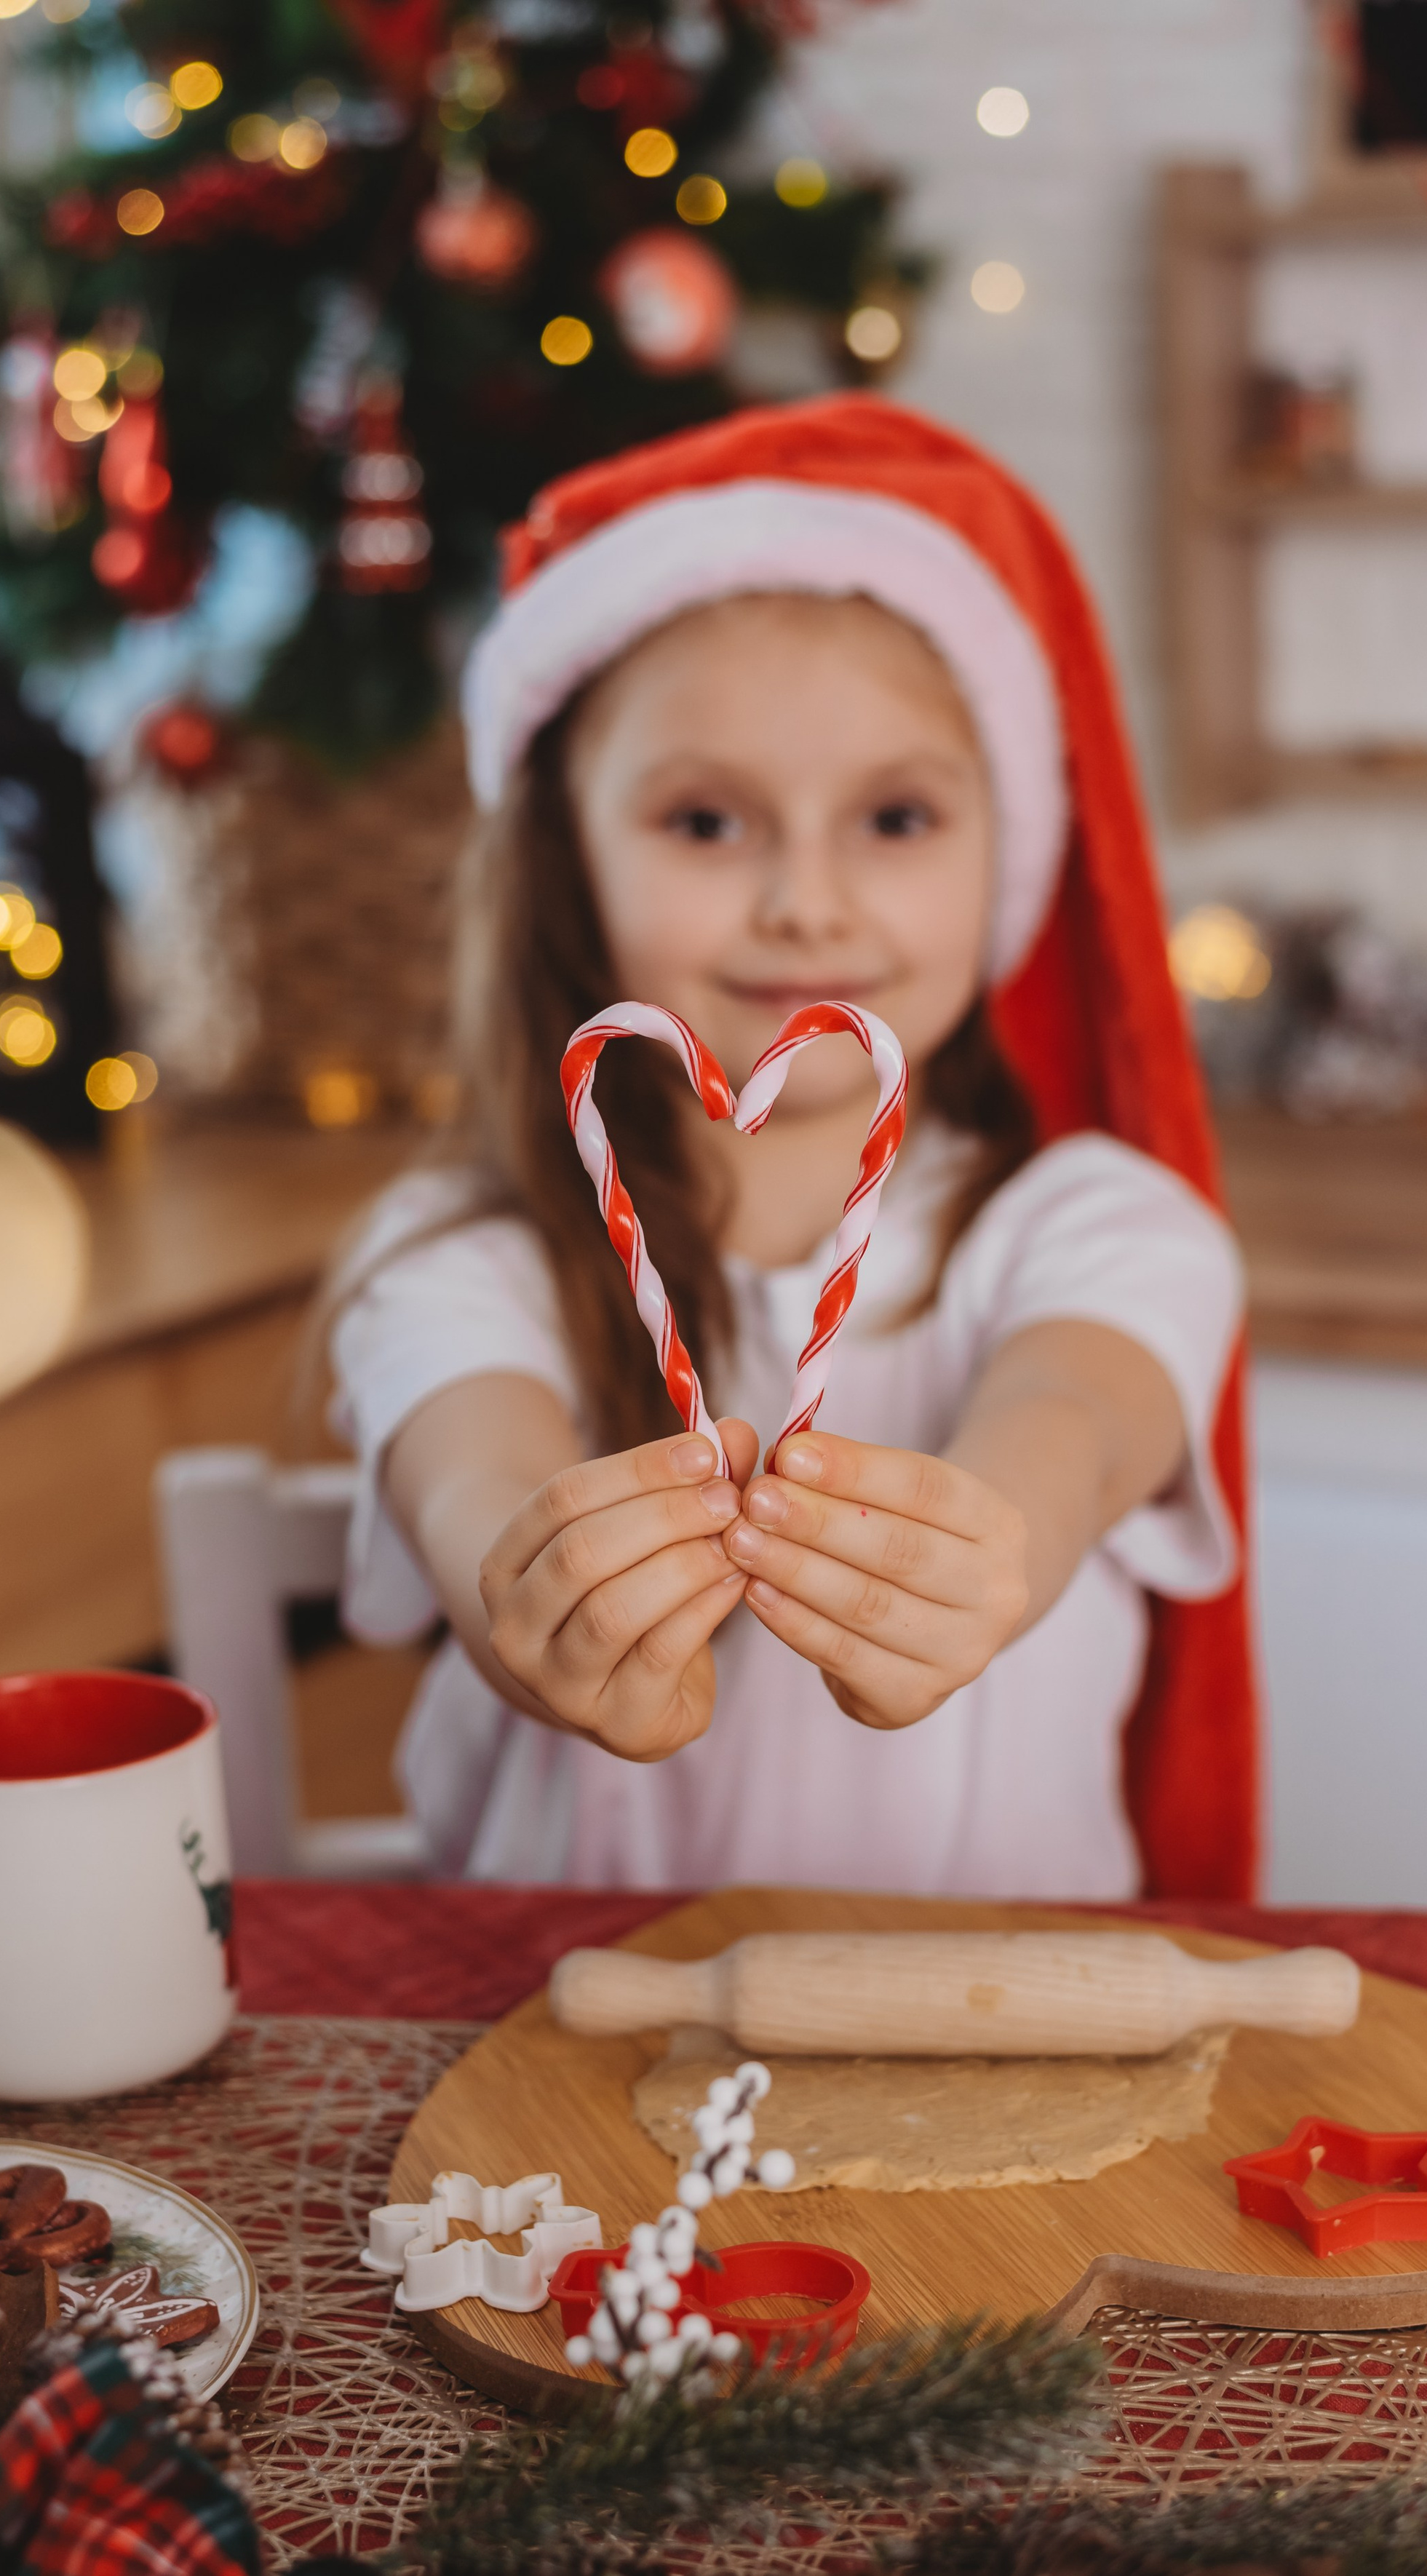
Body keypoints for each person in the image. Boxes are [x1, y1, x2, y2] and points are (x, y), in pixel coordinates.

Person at [330, 395, 1255, 1900]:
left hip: (990, 2030)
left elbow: (1076, 1416)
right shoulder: (453, 1258)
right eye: (706, 822)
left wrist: (989, 1547)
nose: (805, 905)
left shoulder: (1104, 1227)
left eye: (894, 816)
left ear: (1004, 851)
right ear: (568, 853)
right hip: (547, 2034)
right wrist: (549, 1598)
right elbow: (470, 1478)